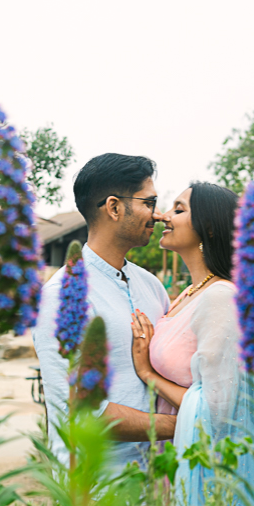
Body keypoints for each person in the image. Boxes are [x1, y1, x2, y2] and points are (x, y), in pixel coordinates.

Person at [130, 182, 254, 506]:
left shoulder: (221, 297)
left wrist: (149, 375)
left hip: (198, 469)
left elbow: (219, 409)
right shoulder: (189, 293)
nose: (163, 216)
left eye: (179, 209)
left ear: (210, 229)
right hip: (168, 461)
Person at [32, 153, 175, 472]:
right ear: (114, 207)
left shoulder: (151, 286)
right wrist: (188, 423)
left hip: (159, 485)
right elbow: (83, 413)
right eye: (148, 202)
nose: (158, 214)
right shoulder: (62, 298)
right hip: (96, 495)